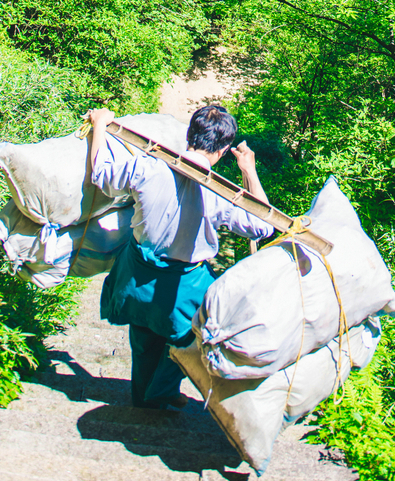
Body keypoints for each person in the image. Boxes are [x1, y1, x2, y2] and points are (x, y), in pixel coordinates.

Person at [86, 102, 273, 409]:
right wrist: (249, 171)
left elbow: (101, 174)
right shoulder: (220, 192)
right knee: (190, 341)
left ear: (189, 135)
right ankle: (159, 395)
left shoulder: (148, 165)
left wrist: (99, 126)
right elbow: (261, 227)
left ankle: (143, 398)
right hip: (184, 284)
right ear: (224, 149)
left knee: (144, 336)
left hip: (137, 274)